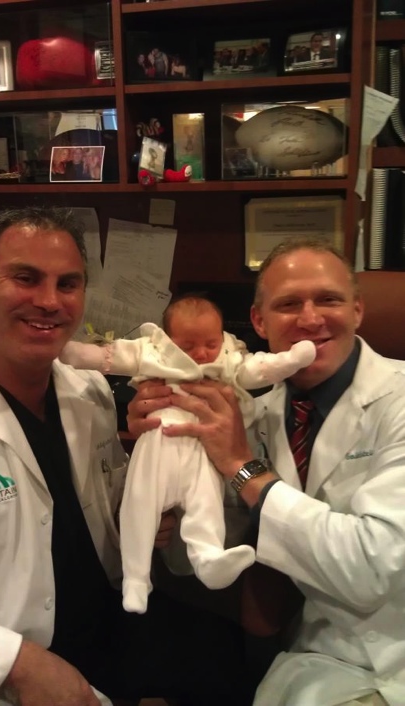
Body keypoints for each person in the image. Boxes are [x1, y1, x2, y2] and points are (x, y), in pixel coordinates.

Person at [0, 206, 265, 706]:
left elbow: (96, 506)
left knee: (230, 658)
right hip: (5, 658)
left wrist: (149, 470)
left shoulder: (89, 391)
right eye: (26, 278)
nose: (49, 301)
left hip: (109, 619)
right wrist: (14, 662)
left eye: (68, 284)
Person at [127, 235, 405, 706]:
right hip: (316, 654)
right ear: (259, 321)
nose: (311, 318)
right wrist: (166, 498)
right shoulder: (254, 414)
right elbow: (203, 553)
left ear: (358, 310)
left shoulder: (397, 400)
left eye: (329, 300)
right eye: (289, 303)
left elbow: (373, 566)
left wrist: (242, 468)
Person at [59, 296, 315, 614]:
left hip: (200, 451)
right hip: (158, 443)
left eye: (211, 342)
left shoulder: (228, 361)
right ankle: (135, 580)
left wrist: (291, 360)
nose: (202, 353)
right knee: (140, 507)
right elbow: (110, 357)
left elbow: (260, 368)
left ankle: (209, 558)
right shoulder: (153, 351)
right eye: (188, 344)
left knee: (205, 501)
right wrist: (73, 352)